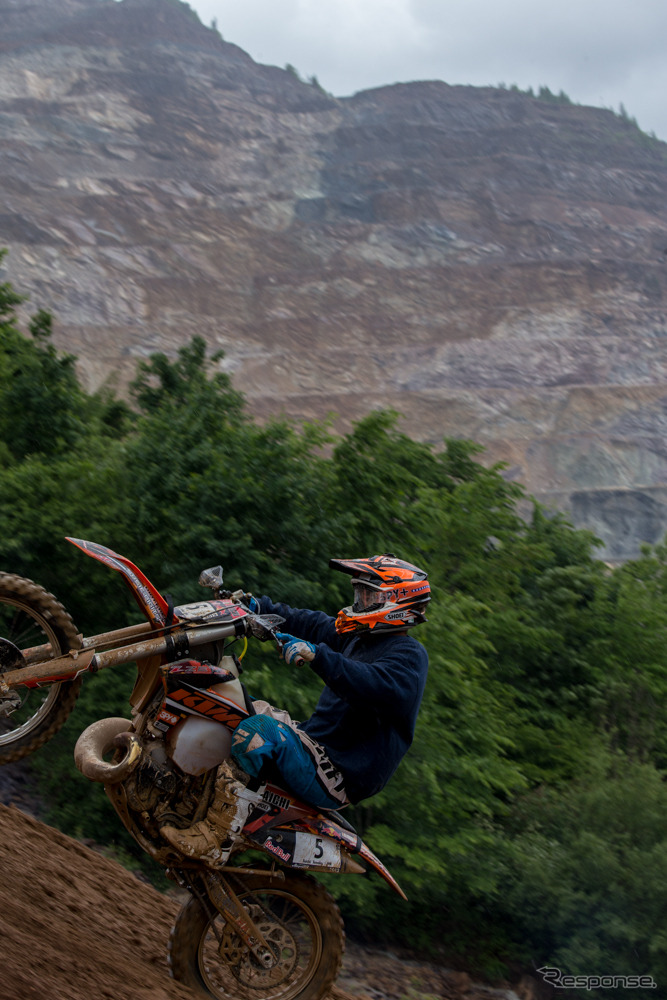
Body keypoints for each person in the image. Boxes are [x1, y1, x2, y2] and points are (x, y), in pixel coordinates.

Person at [161, 553, 430, 865]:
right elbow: (310, 622)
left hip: (338, 772)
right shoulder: (359, 638)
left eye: (368, 595)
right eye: (359, 593)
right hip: (314, 744)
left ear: (397, 603)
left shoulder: (409, 655)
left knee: (258, 733)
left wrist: (319, 657)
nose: (359, 602)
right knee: (225, 705)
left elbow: (373, 686)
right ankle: (185, 795)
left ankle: (214, 837)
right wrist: (256, 607)